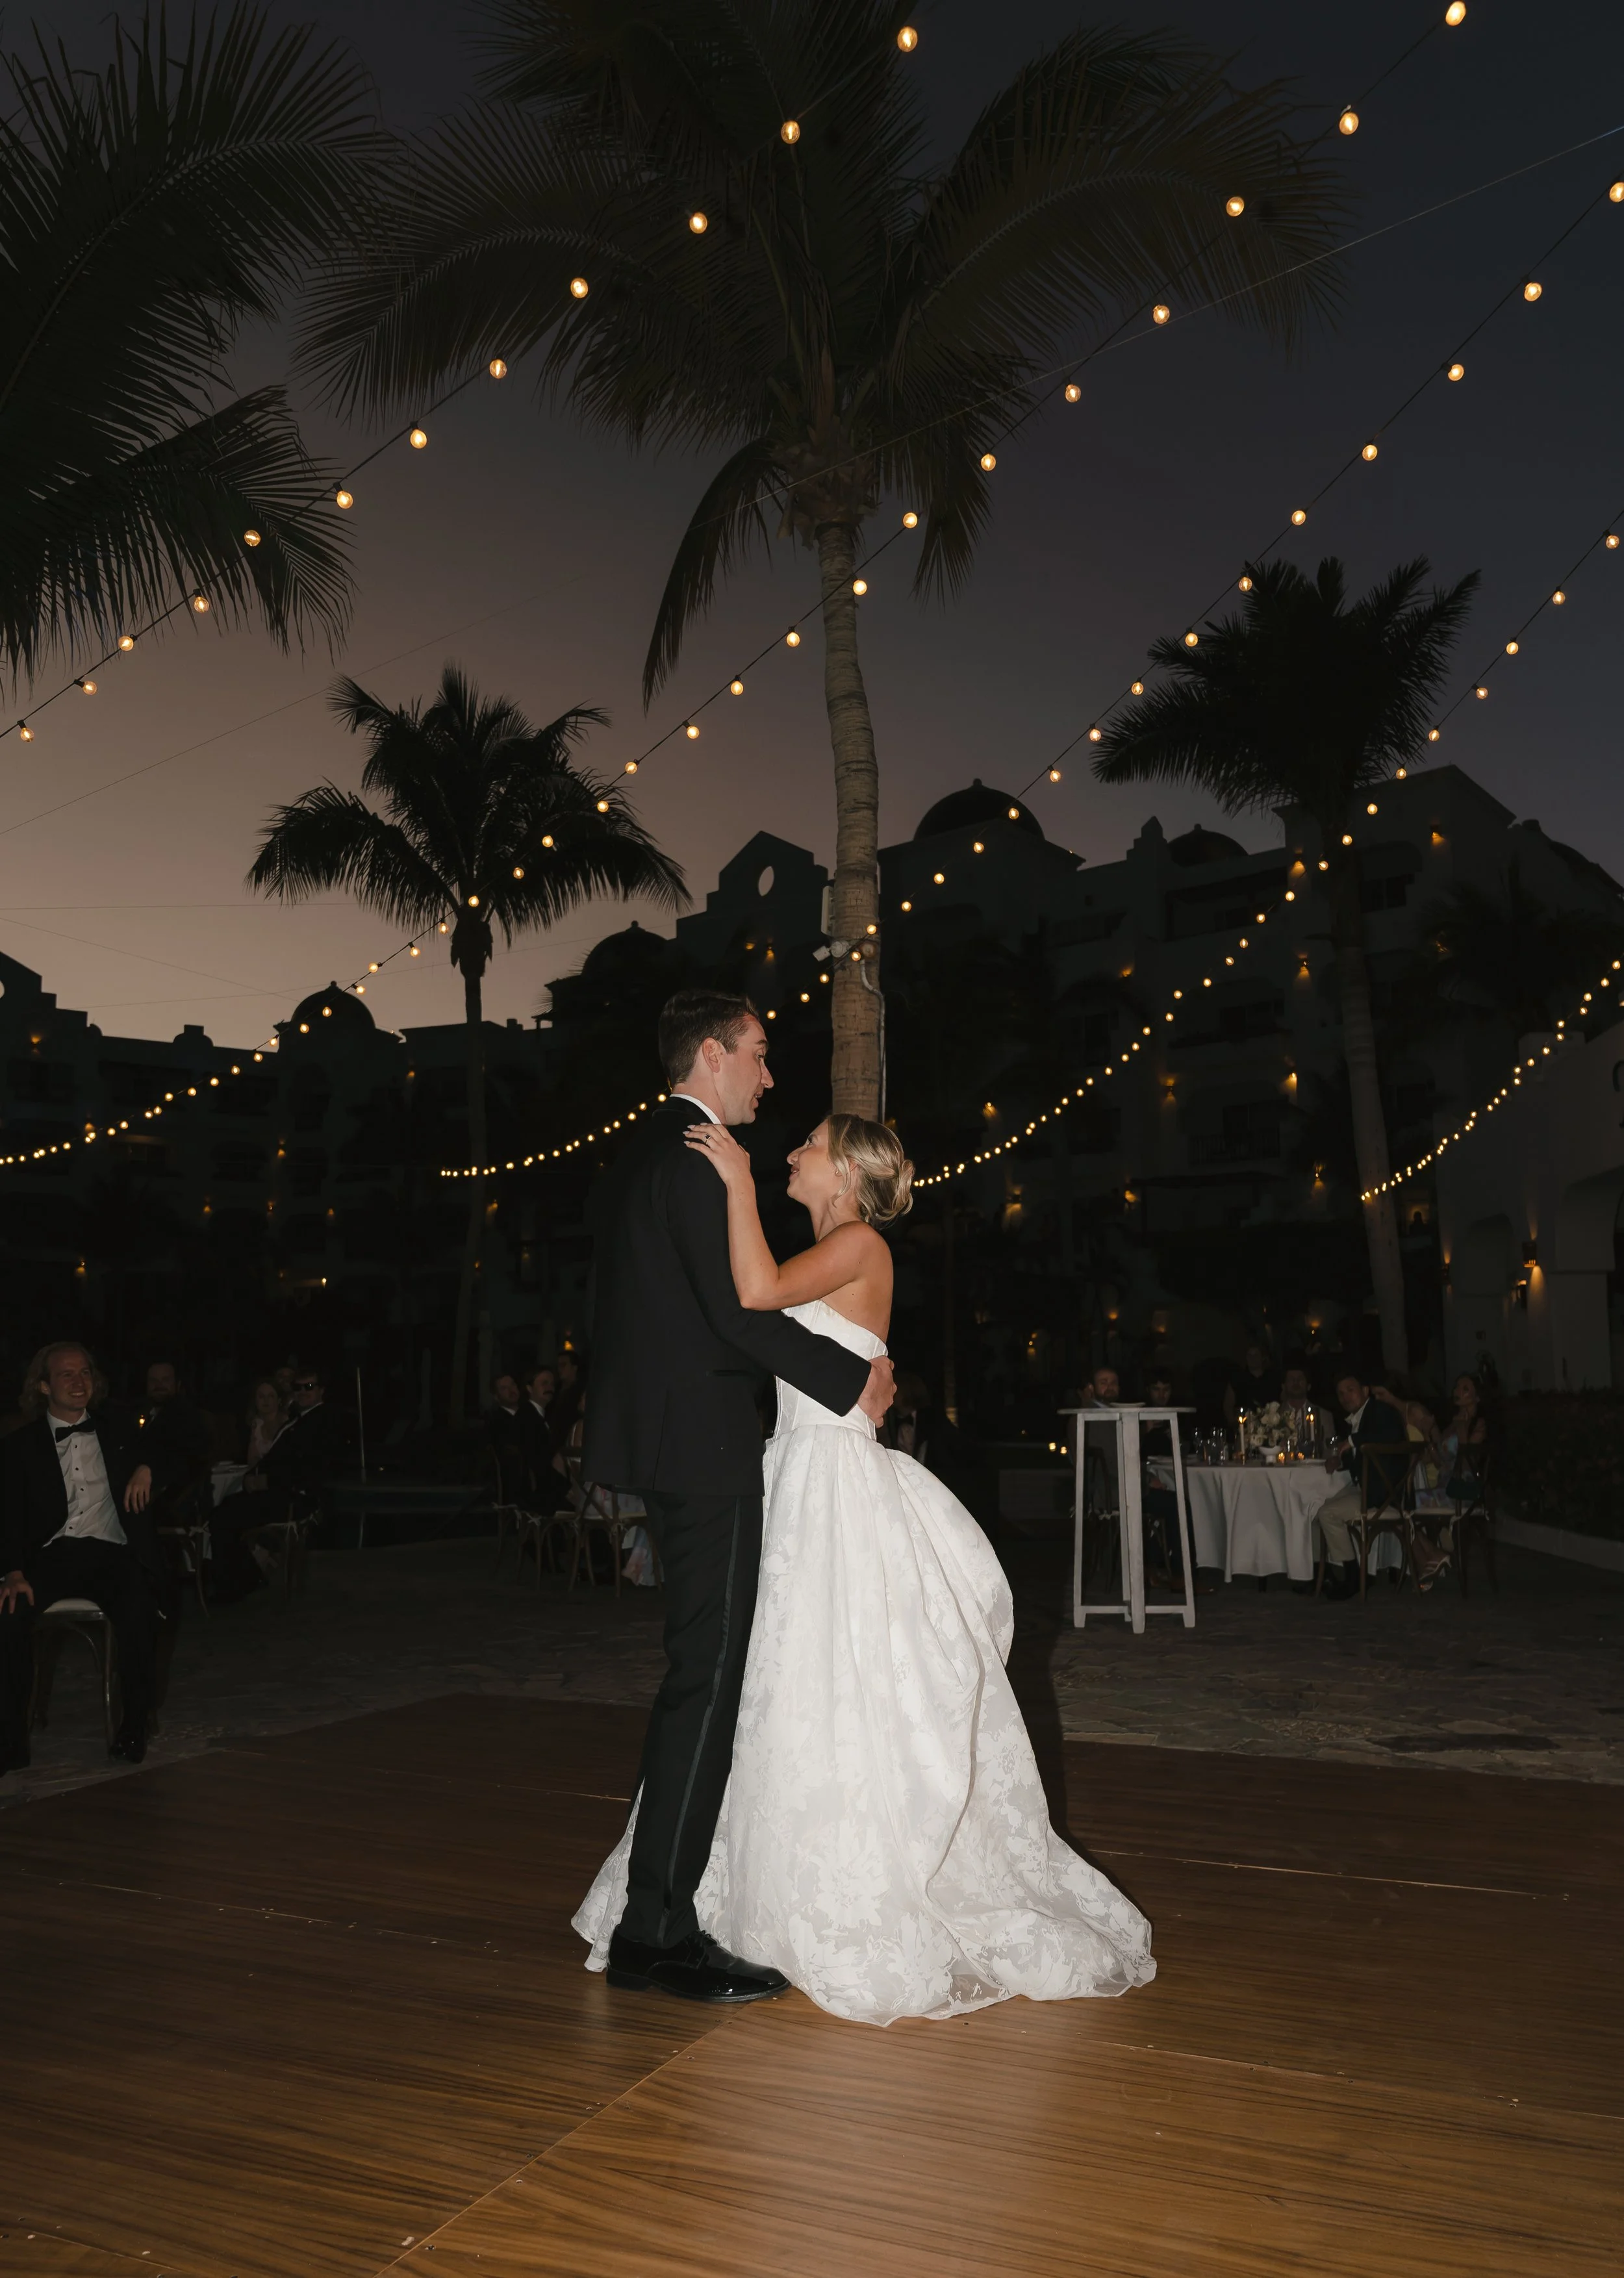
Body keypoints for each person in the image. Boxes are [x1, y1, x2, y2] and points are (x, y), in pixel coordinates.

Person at [576, 1100, 1156, 2027]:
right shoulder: (833, 1247)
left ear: (846, 1175)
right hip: (796, 1471)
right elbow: (749, 1311)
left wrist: (730, 1180)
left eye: (810, 1145)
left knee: (840, 1680)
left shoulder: (861, 1245)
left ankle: (845, 1888)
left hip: (833, 1482)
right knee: (779, 1685)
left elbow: (755, 1291)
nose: (792, 1151)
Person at [577, 989, 893, 2008]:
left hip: (673, 1440)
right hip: (706, 1446)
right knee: (704, 1679)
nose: (768, 1074)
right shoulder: (698, 1156)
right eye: (758, 1053)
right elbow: (733, 1313)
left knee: (702, 1674)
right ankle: (656, 1930)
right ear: (713, 1053)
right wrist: (857, 1378)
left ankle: (662, 1908)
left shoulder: (647, 1150)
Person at [0, 1342, 172, 1769]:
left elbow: (178, 1444)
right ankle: (9, 1742)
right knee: (9, 1611)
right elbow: (7, 1516)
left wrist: (148, 1466)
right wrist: (12, 1572)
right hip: (50, 1556)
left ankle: (133, 1727)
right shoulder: (19, 1445)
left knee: (140, 1607)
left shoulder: (120, 1431)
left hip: (108, 1554)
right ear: (43, 1386)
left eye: (84, 1373)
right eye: (66, 1375)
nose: (79, 1382)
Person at [1314, 1370, 1440, 1599]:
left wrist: (1351, 1441)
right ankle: (1326, 1574)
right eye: (1340, 1394)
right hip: (1371, 1488)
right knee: (1317, 1508)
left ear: (1365, 1391)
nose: (1345, 1397)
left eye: (1350, 1390)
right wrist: (1341, 1459)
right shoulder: (1362, 1417)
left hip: (1382, 1493)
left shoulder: (1380, 1411)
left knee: (1327, 1513)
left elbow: (1387, 1434)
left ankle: (1353, 1578)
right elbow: (1364, 1454)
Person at [212, 1365, 332, 1602]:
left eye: (309, 1387)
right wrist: (255, 1476)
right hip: (280, 1492)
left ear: (321, 1391)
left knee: (222, 1516)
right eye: (298, 1388)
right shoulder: (302, 1419)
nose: (302, 1392)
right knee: (222, 1512)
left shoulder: (320, 1422)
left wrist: (266, 1480)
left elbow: (309, 1469)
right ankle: (244, 1577)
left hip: (293, 1498)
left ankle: (236, 1584)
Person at [485, 1371, 528, 1502]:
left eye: (513, 1385)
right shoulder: (498, 1421)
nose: (511, 1391)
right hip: (515, 1479)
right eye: (504, 1388)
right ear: (497, 1397)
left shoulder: (528, 1413)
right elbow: (508, 1450)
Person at [245, 1378, 288, 1467]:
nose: (266, 1400)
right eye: (261, 1396)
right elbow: (252, 1460)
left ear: (279, 1400)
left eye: (271, 1396)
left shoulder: (287, 1422)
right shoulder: (256, 1424)